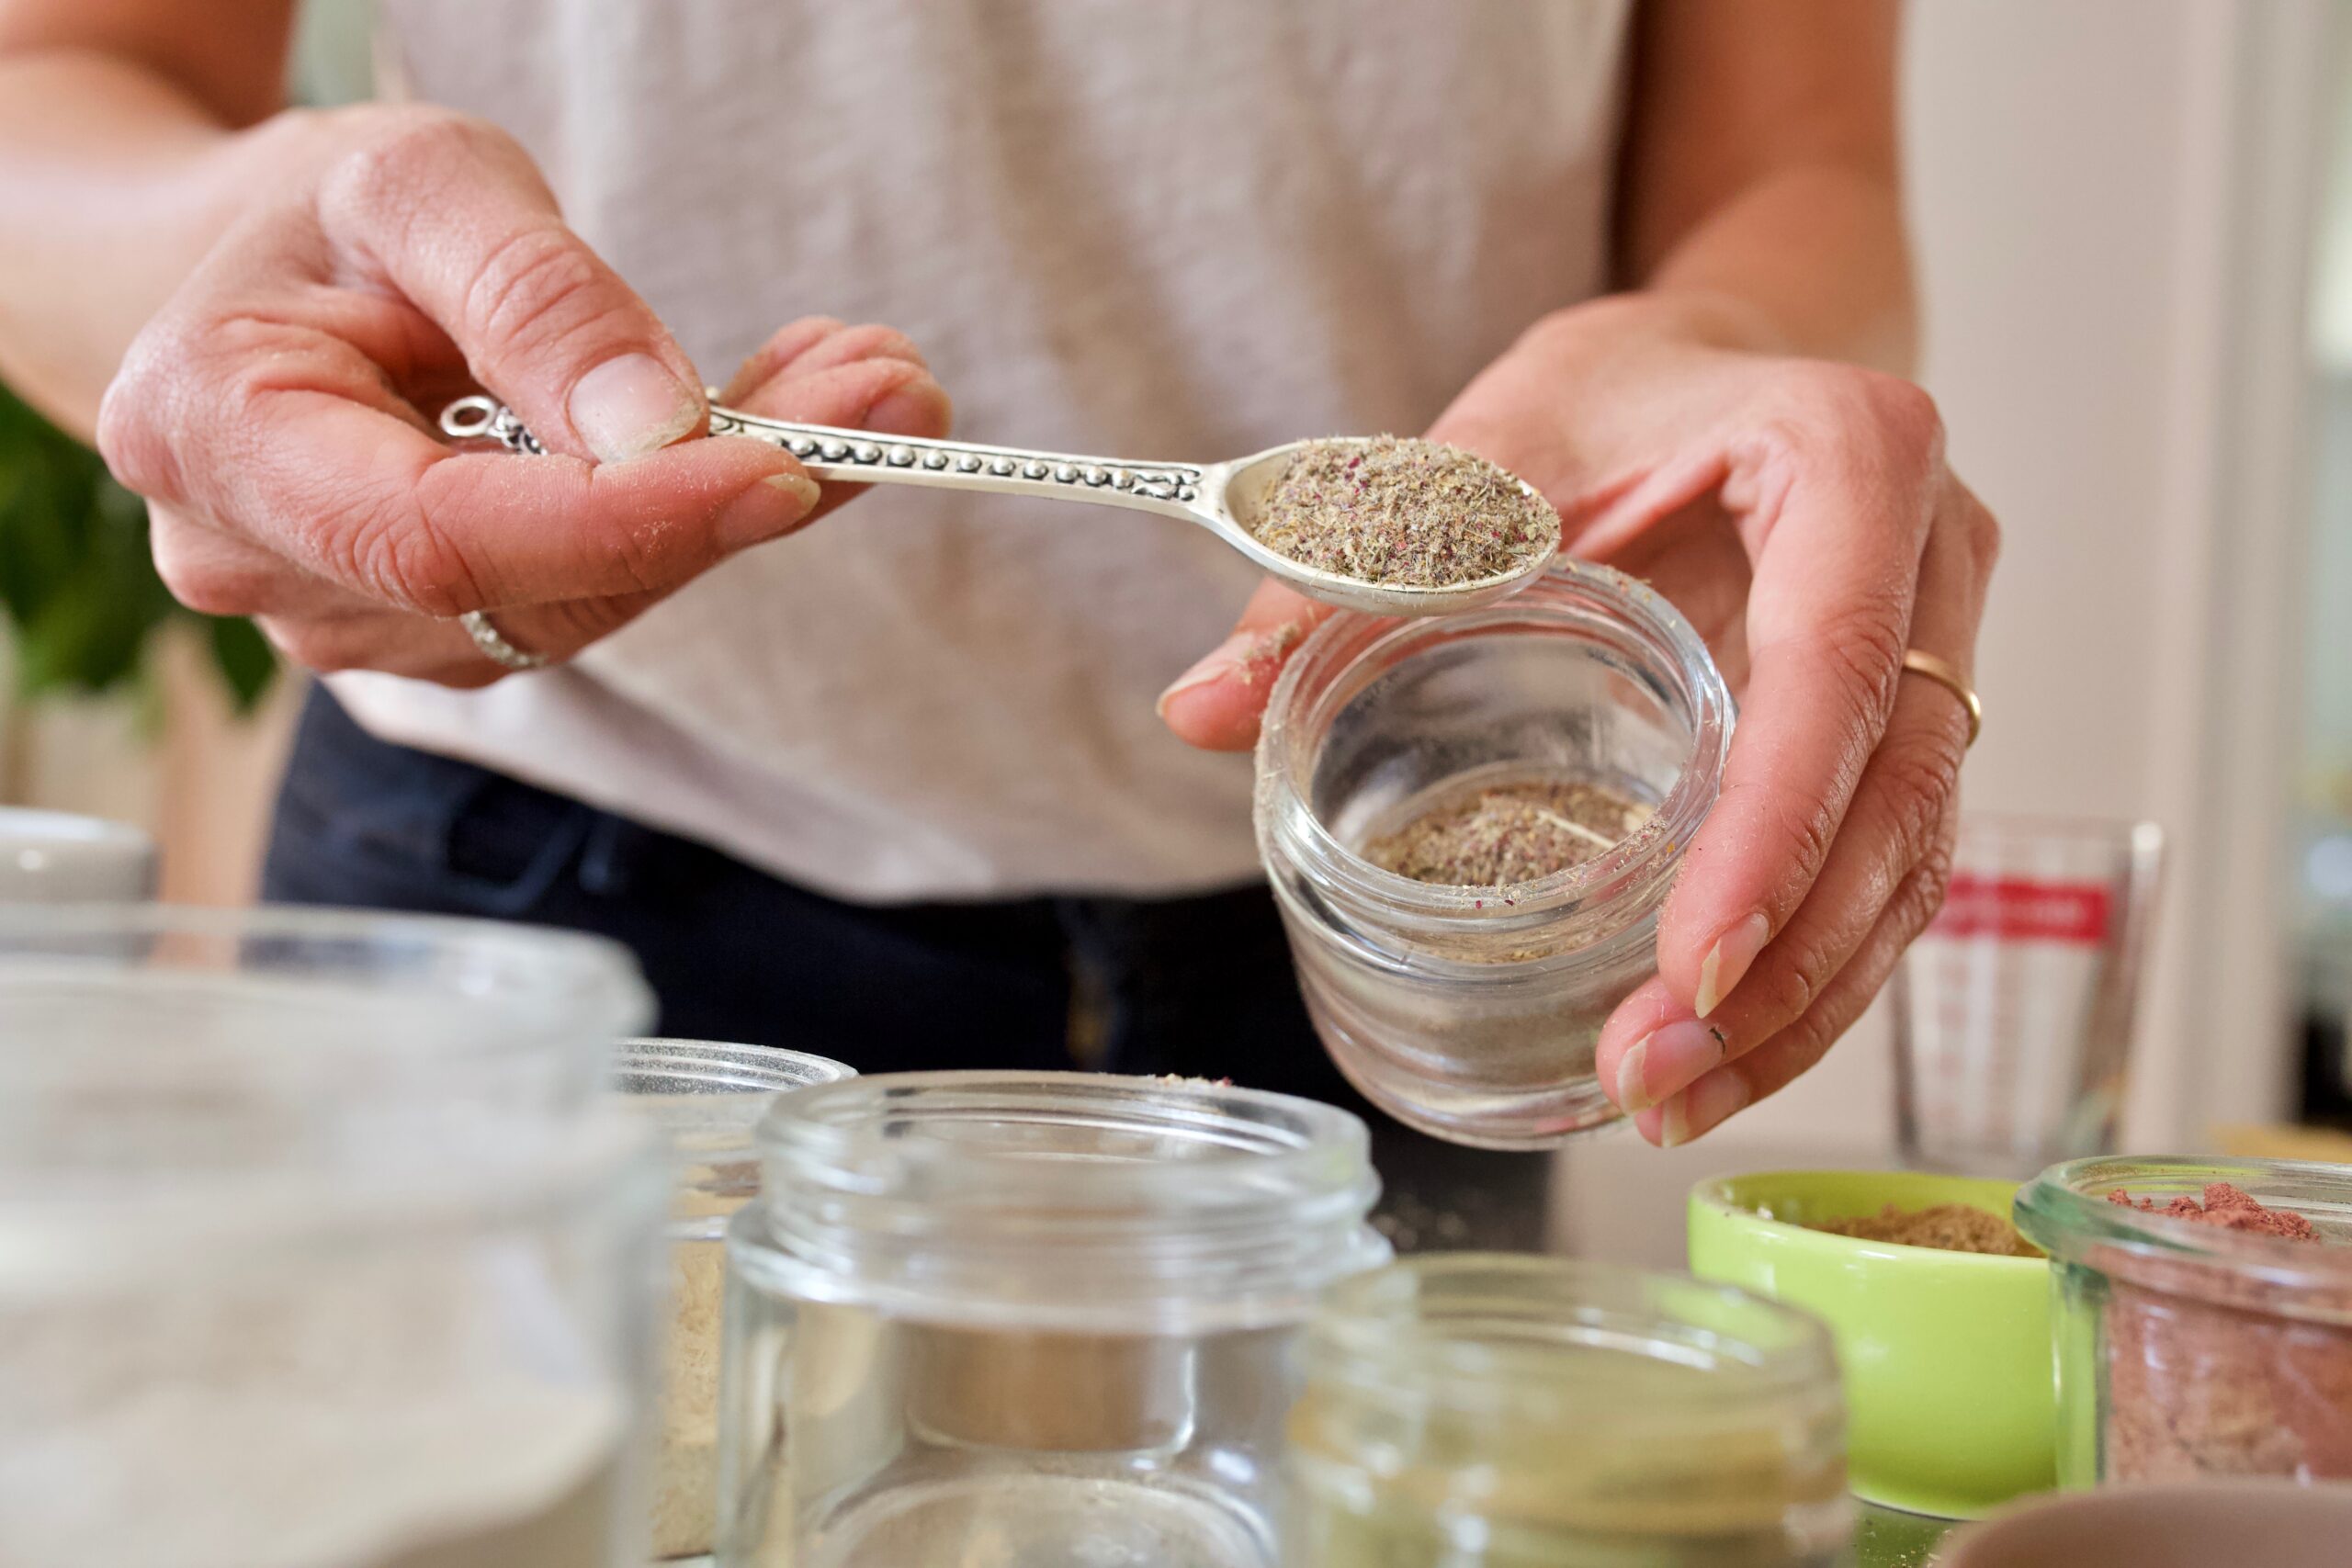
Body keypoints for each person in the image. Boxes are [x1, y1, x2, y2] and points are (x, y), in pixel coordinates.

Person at [0, 0, 1995, 1246]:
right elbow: (55, 85)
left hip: (1374, 945)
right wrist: (218, 293)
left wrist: (1721, 342)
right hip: (557, 906)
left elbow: (1793, 160)